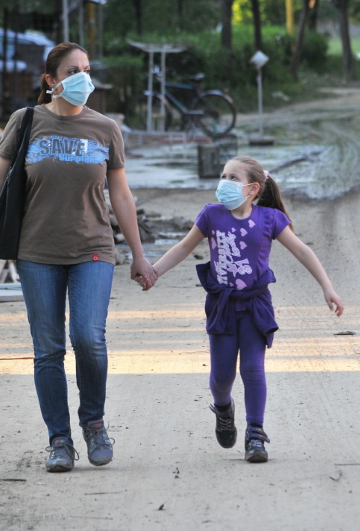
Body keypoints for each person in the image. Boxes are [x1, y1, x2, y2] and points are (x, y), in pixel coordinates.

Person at [0, 42, 157, 473]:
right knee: (48, 349)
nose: (84, 77)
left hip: (93, 249)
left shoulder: (105, 127)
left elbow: (120, 194)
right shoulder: (27, 121)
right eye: (74, 70)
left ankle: (95, 423)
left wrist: (139, 255)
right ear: (52, 80)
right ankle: (59, 440)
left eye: (87, 68)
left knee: (89, 338)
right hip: (36, 252)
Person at [145, 156, 344, 463]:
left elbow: (303, 250)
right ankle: (223, 408)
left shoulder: (269, 219)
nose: (224, 181)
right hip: (222, 306)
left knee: (252, 369)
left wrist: (327, 286)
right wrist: (154, 271)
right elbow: (184, 247)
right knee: (222, 377)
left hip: (255, 306)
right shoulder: (211, 215)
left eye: (232, 177)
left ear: (252, 189)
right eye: (223, 175)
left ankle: (255, 433)